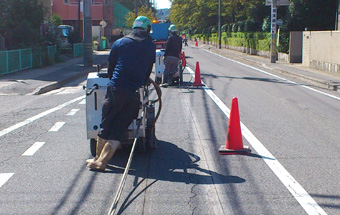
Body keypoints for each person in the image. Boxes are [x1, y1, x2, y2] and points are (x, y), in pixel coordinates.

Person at [86, 16, 156, 171]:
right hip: (133, 93)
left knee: (106, 123)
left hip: (116, 90)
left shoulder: (120, 43)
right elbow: (148, 71)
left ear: (134, 28)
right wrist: (142, 81)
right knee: (118, 128)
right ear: (147, 29)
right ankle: (102, 162)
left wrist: (114, 81)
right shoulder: (150, 46)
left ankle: (96, 159)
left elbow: (111, 68)